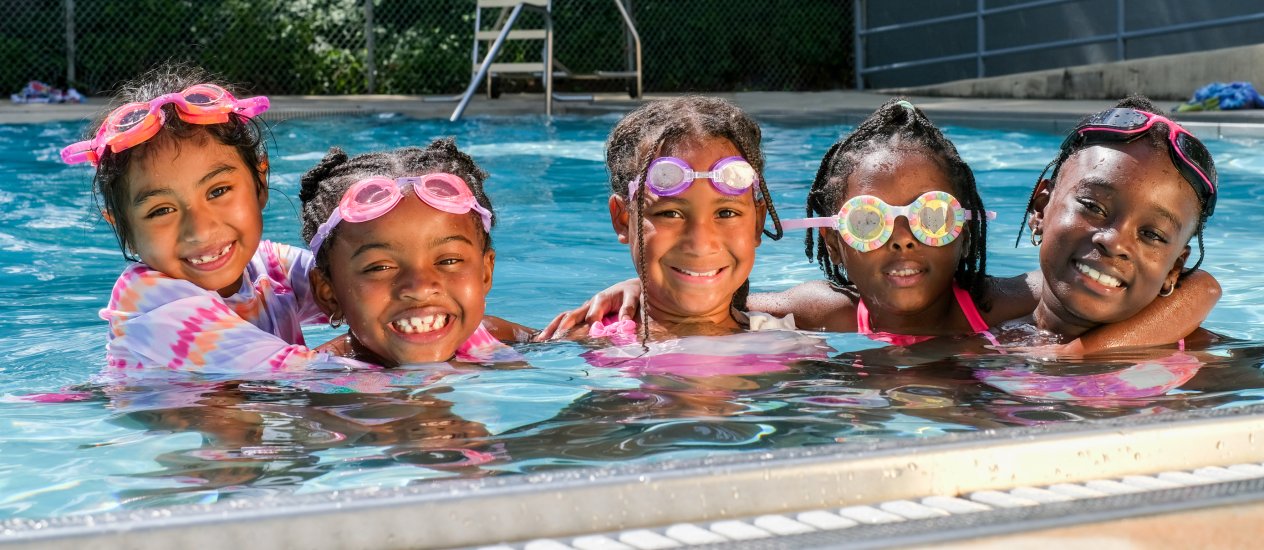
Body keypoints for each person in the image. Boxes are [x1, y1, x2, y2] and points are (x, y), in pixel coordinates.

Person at [546, 99, 1219, 353]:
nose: (903, 238)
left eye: (929, 217)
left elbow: (1192, 294)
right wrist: (638, 285)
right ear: (834, 235)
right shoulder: (828, 313)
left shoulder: (1004, 306)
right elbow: (718, 299)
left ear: (960, 226)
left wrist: (1192, 294)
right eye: (870, 221)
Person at [66, 63, 324, 371]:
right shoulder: (150, 303)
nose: (200, 230)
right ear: (125, 228)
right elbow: (306, 376)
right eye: (161, 210)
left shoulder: (267, 265)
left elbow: (359, 284)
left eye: (218, 192)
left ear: (260, 181)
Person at [564, 95, 793, 343]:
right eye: (670, 214)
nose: (700, 244)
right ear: (623, 219)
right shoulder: (589, 340)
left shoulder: (789, 344)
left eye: (726, 213)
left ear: (758, 223)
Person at [1007, 95, 1219, 346]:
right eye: (1093, 207)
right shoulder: (980, 343)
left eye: (1151, 234)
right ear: (1041, 209)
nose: (1114, 242)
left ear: (1173, 270)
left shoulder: (1204, 363)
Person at [298, 138, 527, 367]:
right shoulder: (320, 377)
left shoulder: (493, 335)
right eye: (380, 267)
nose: (420, 288)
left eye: (448, 260)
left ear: (485, 273)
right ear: (329, 294)